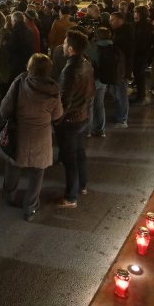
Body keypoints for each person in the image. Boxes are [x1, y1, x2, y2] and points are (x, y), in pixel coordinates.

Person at [0, 53, 63, 221]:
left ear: (30, 67)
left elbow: (4, 109)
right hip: (41, 138)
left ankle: (10, 196)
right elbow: (58, 116)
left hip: (19, 135)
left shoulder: (20, 82)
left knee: (13, 166)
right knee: (37, 173)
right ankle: (30, 207)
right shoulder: (53, 90)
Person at [54, 31, 95, 208]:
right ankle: (82, 185)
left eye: (64, 43)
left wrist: (57, 119)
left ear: (71, 49)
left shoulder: (70, 70)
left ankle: (71, 197)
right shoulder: (86, 63)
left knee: (69, 158)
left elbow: (64, 100)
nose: (62, 46)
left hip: (70, 120)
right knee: (79, 153)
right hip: (83, 116)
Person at [131, 5, 154, 104]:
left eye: (136, 12)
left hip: (140, 54)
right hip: (144, 53)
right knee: (139, 74)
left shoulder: (142, 26)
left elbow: (141, 41)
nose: (134, 14)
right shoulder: (146, 24)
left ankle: (141, 96)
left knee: (139, 74)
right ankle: (140, 94)